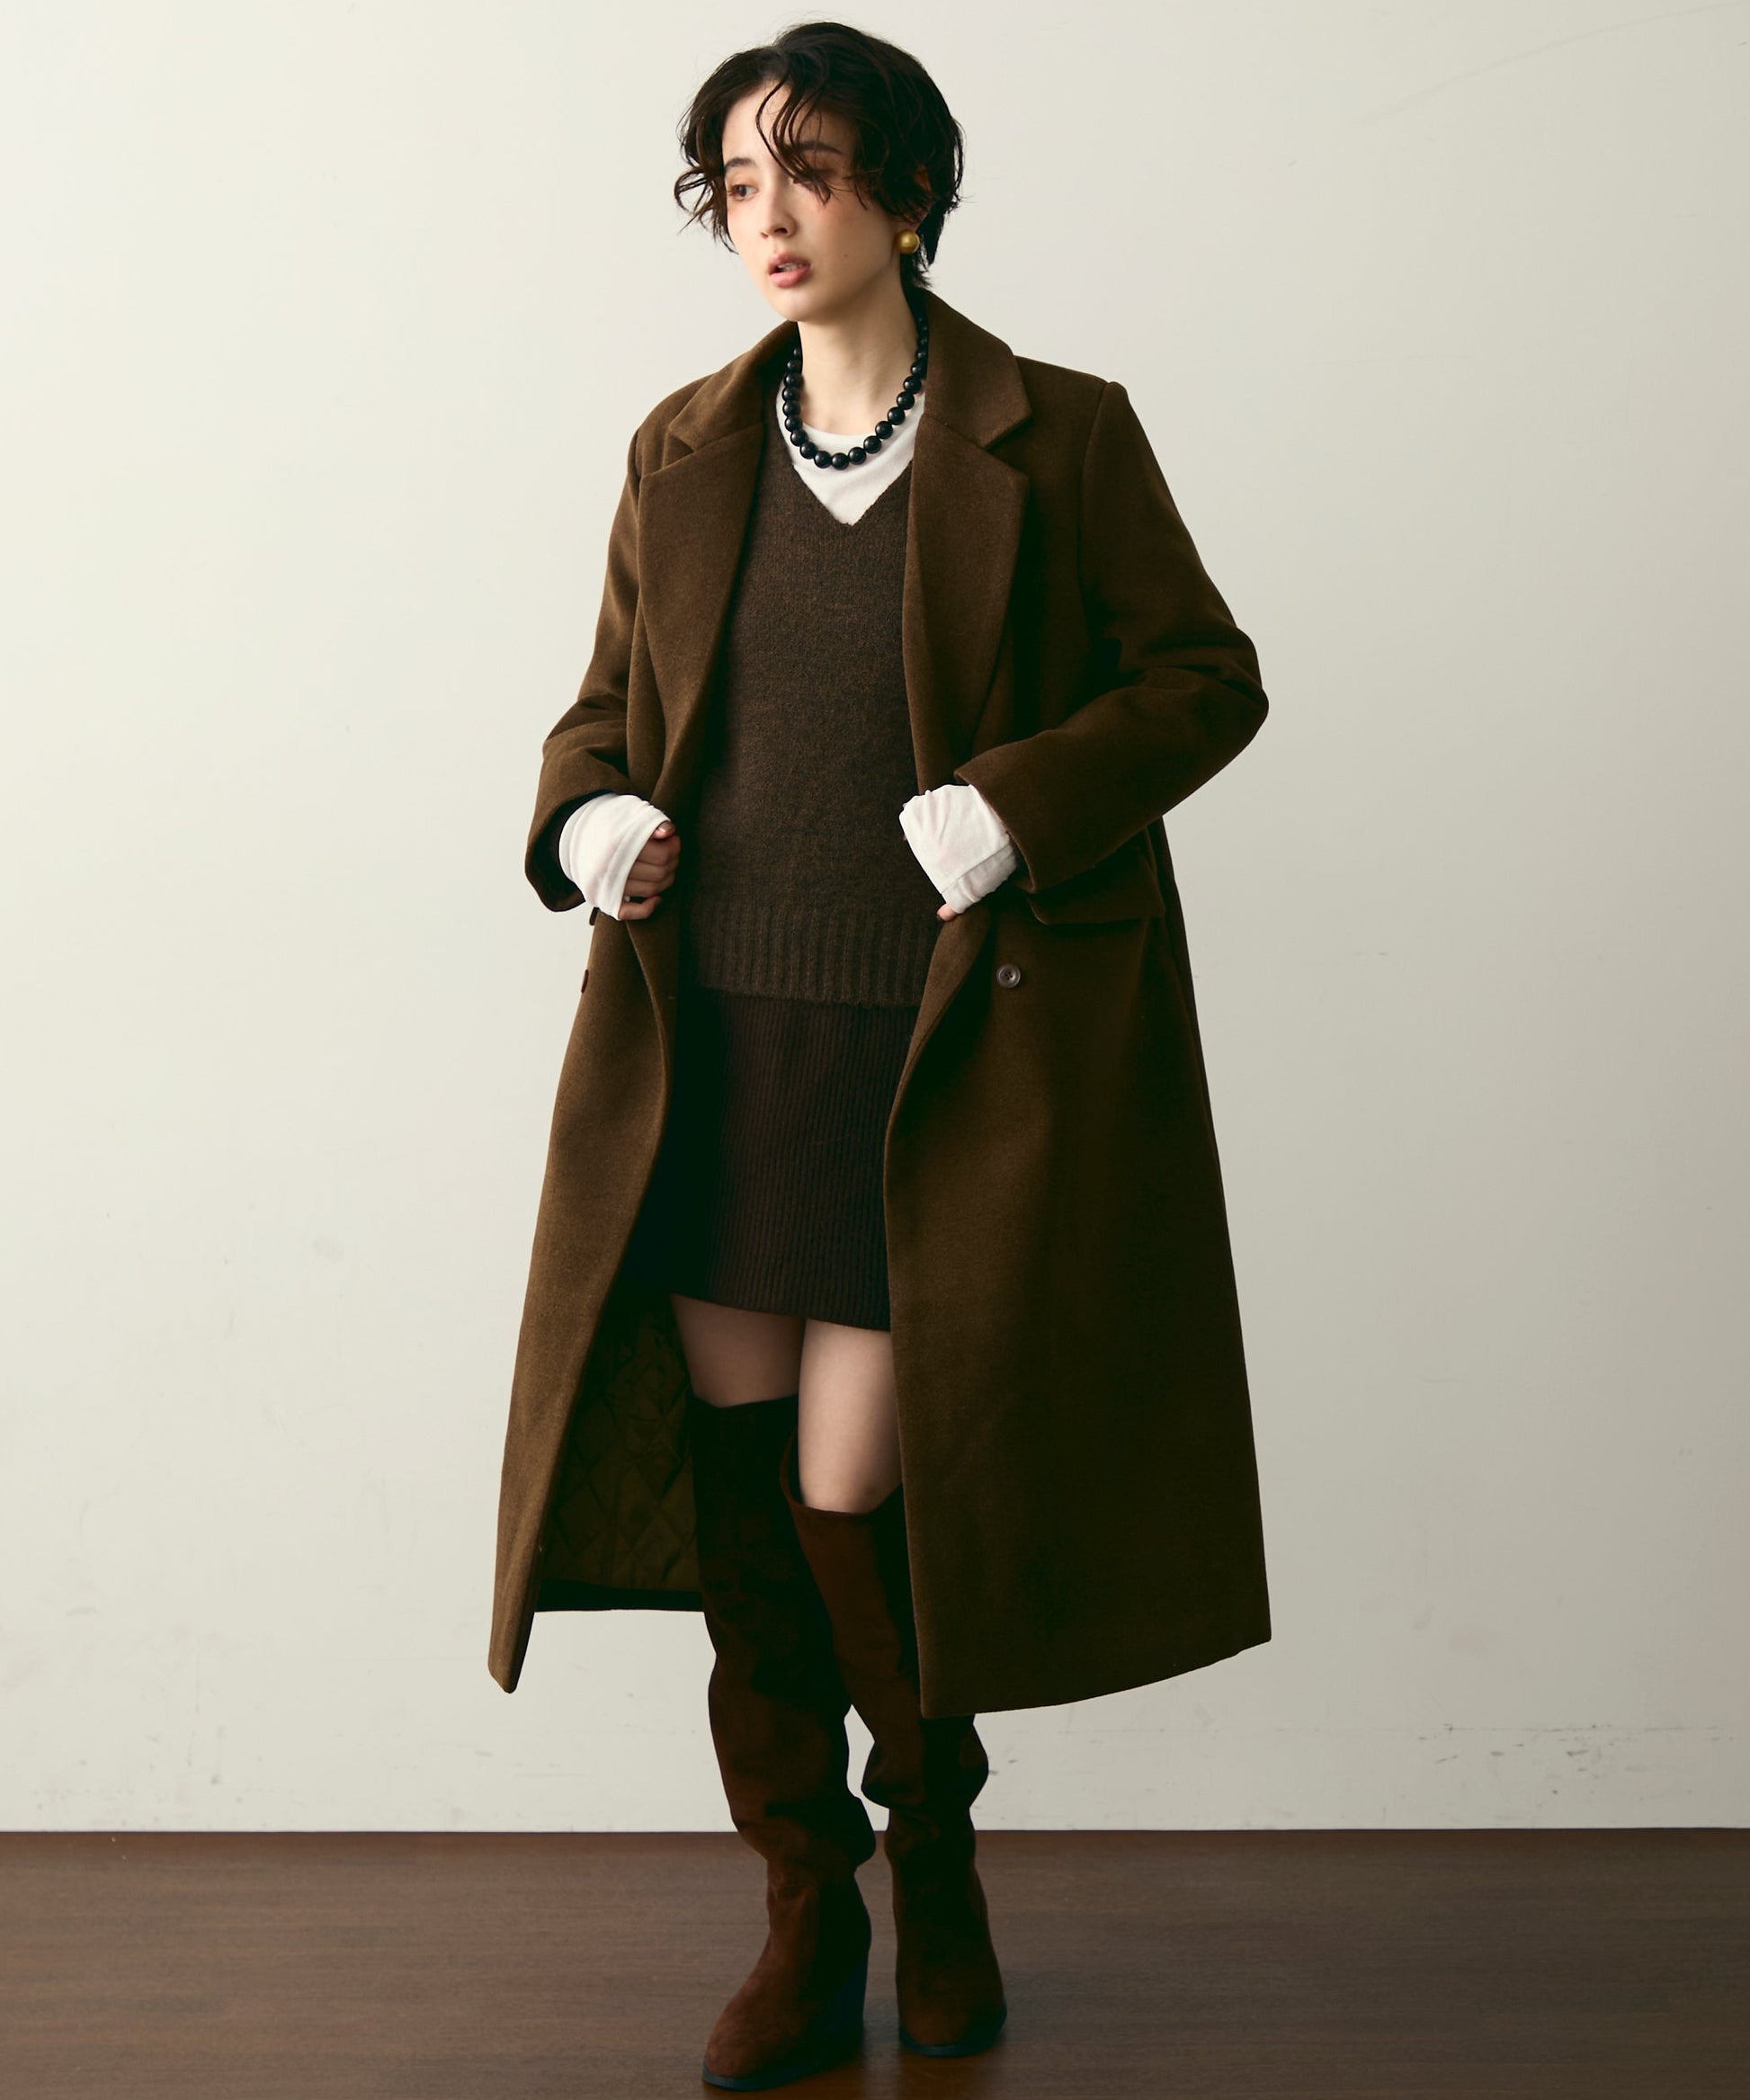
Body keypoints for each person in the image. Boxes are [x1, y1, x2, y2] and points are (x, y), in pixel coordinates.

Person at [491, 21, 1273, 2090]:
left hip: (934, 1068)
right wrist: (587, 819)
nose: (768, 216)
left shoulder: (1056, 433)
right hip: (711, 1050)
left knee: (855, 1485)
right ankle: (803, 1899)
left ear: (907, 195)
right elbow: (599, 712)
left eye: (810, 171)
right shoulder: (682, 447)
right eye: (737, 183)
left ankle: (934, 1850)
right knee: (752, 1498)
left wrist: (1018, 803)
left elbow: (1205, 680)